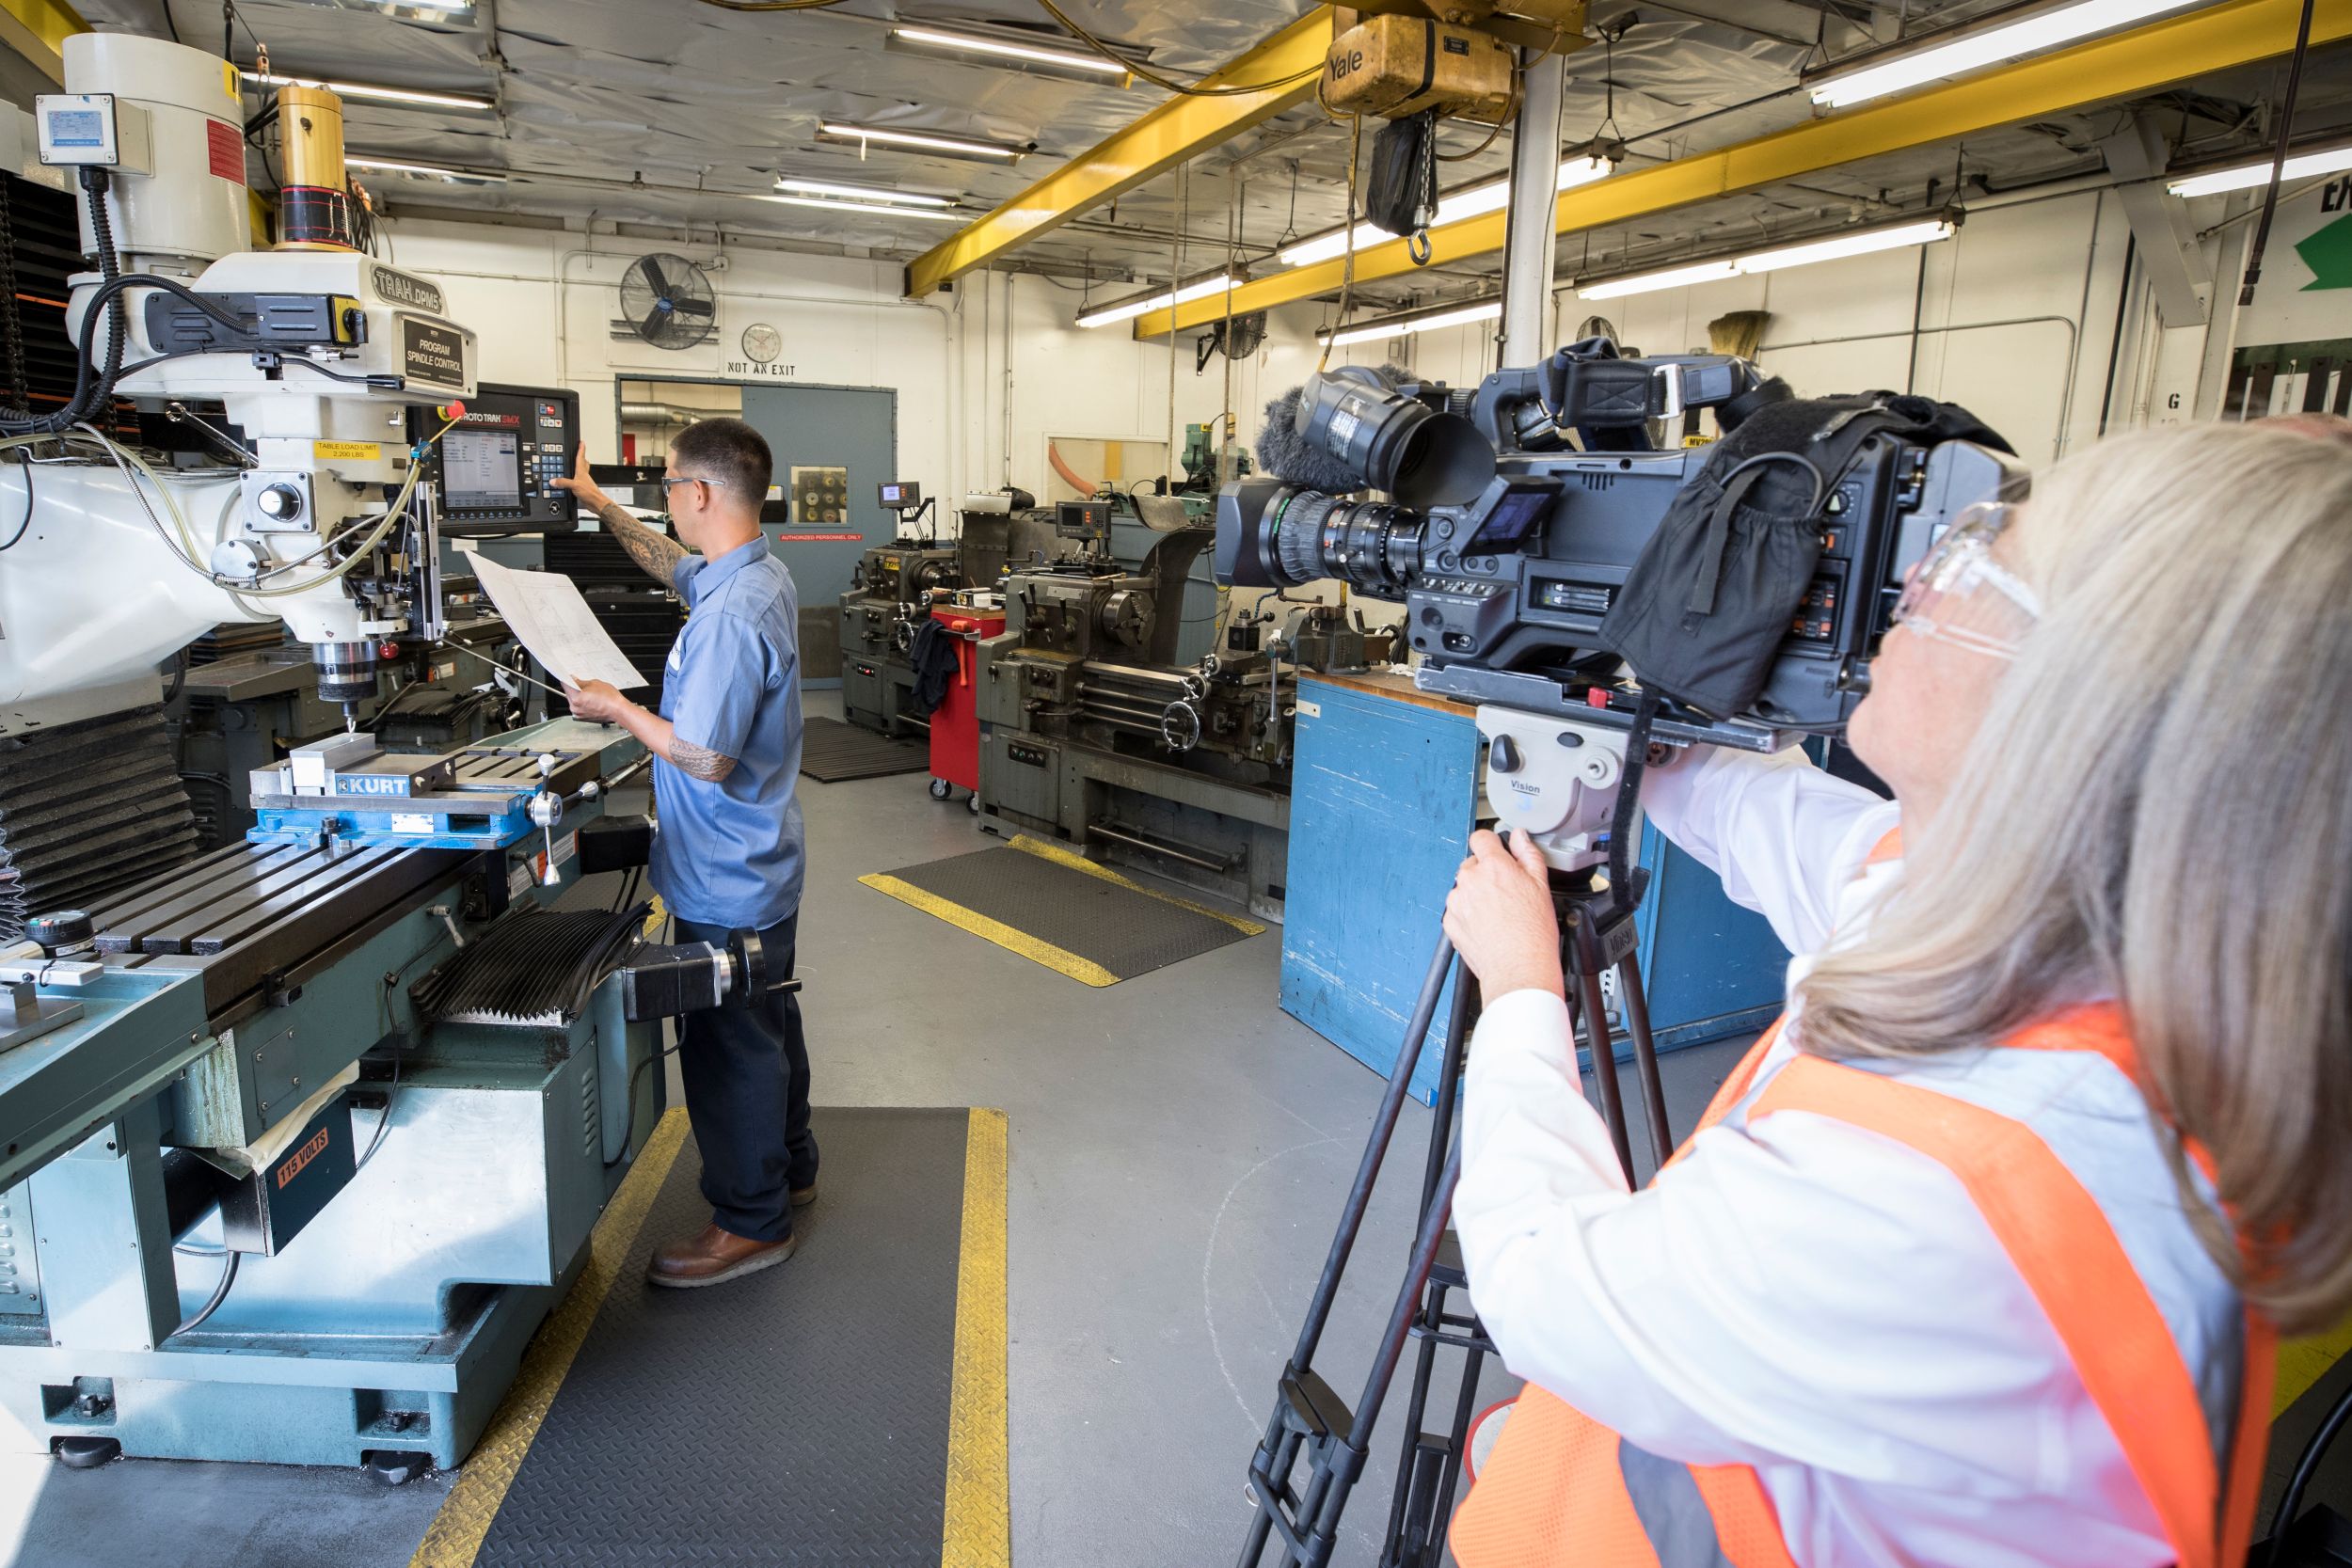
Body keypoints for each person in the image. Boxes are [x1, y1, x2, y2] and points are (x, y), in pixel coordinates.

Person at [1437, 418, 2352, 1566]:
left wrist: (1522, 992)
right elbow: (1818, 847)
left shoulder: (1960, 1183)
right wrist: (1645, 742)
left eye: (1978, 557)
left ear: (2084, 702)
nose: (1914, 580)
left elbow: (1538, 1285)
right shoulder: (2064, 926)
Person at [552, 420, 818, 1289]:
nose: (667, 497)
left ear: (701, 493)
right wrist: (597, 502)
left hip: (725, 873)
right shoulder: (754, 573)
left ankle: (752, 1219)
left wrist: (614, 707)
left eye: (668, 484)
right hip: (759, 861)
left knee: (726, 1040)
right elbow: (671, 560)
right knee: (768, 1013)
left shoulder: (731, 619)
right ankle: (793, 1163)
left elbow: (706, 755)